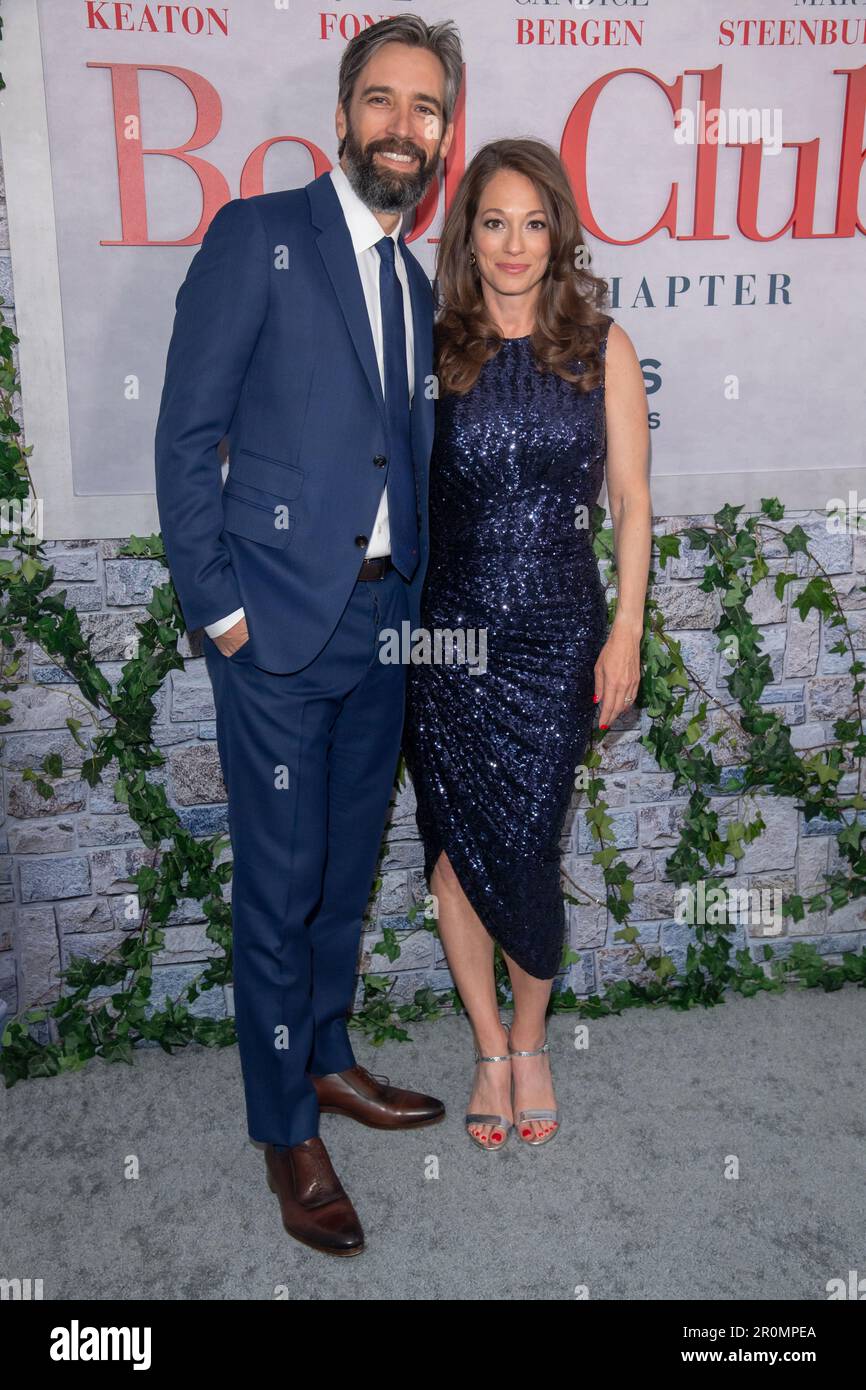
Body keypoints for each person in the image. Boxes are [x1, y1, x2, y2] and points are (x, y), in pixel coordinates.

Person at [154, 14, 463, 1256]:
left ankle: (326, 1055)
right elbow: (185, 436)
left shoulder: (410, 273)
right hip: (274, 628)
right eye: (381, 101)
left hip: (385, 622)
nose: (403, 126)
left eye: (426, 108)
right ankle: (285, 1125)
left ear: (442, 132)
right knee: (278, 888)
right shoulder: (258, 236)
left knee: (340, 870)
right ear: (342, 115)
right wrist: (217, 607)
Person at [402, 138, 651, 1152]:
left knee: (528, 843)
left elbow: (632, 505)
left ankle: (532, 1035)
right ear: (468, 233)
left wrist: (627, 623)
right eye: (492, 222)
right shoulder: (428, 349)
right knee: (456, 850)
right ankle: (487, 1048)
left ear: (558, 232)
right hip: (448, 636)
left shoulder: (601, 347)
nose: (512, 243)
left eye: (532, 222)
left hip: (556, 632)